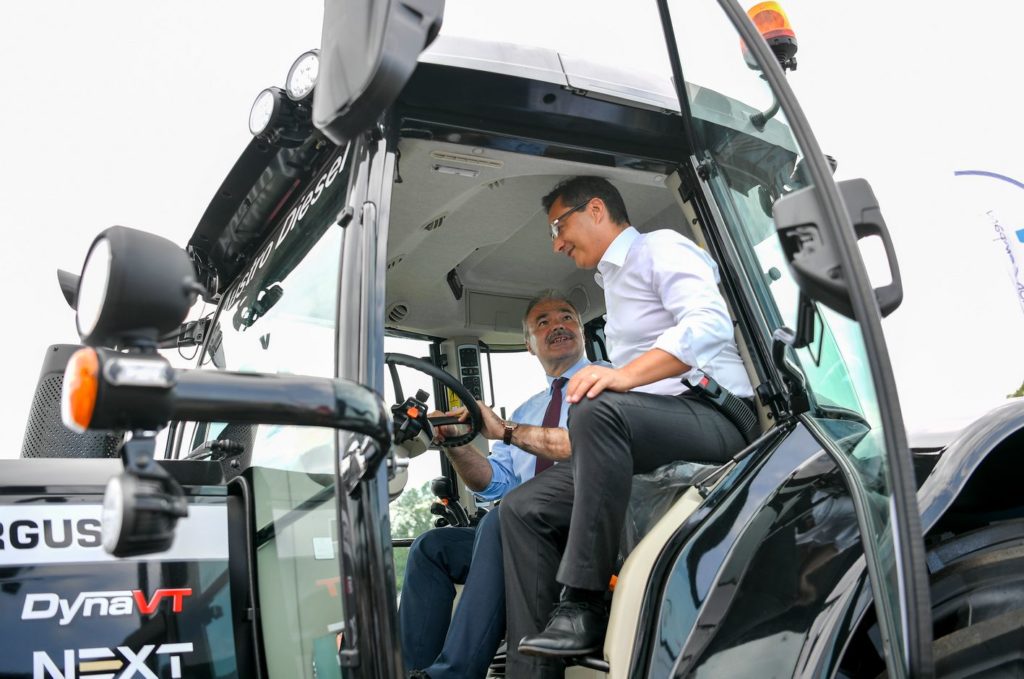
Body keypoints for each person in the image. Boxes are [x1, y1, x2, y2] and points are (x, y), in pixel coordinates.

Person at [500, 176, 755, 678]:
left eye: (559, 227)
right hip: (651, 430)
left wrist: (623, 377)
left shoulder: (659, 249)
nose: (557, 244)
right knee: (522, 508)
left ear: (595, 210)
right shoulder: (613, 284)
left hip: (716, 416)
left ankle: (583, 603)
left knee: (596, 406)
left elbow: (708, 323)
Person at [400, 293, 600, 679]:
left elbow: (591, 448)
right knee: (432, 547)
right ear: (529, 345)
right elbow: (495, 485)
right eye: (543, 322)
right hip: (516, 527)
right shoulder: (527, 410)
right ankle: (413, 671)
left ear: (581, 330)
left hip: (583, 531)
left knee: (503, 518)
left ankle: (452, 675)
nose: (557, 325)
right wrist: (456, 444)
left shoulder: (608, 382)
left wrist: (505, 429)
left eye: (567, 317)